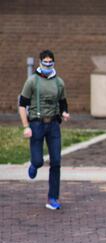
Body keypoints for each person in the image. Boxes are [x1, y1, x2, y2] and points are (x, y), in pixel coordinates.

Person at [18, 49, 70, 210]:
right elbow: (22, 105)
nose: (48, 64)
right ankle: (34, 164)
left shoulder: (59, 82)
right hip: (37, 124)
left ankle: (53, 197)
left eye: (50, 62)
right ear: (40, 62)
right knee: (38, 161)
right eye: (45, 62)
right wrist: (26, 126)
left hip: (53, 125)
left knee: (56, 162)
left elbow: (63, 102)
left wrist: (64, 112)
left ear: (54, 62)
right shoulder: (32, 81)